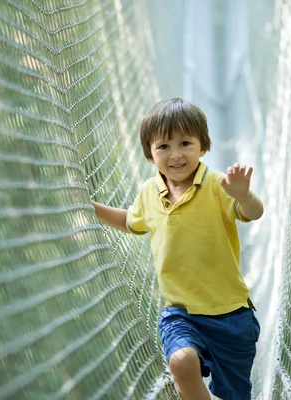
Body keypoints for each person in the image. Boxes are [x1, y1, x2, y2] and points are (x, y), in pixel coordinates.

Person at [90, 97, 263, 400]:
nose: (176, 155)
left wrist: (244, 195)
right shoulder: (148, 192)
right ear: (149, 154)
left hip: (231, 316)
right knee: (181, 361)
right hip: (180, 313)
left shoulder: (217, 185)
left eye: (185, 143)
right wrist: (91, 208)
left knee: (235, 394)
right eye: (164, 147)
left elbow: (253, 212)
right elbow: (130, 222)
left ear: (203, 146)